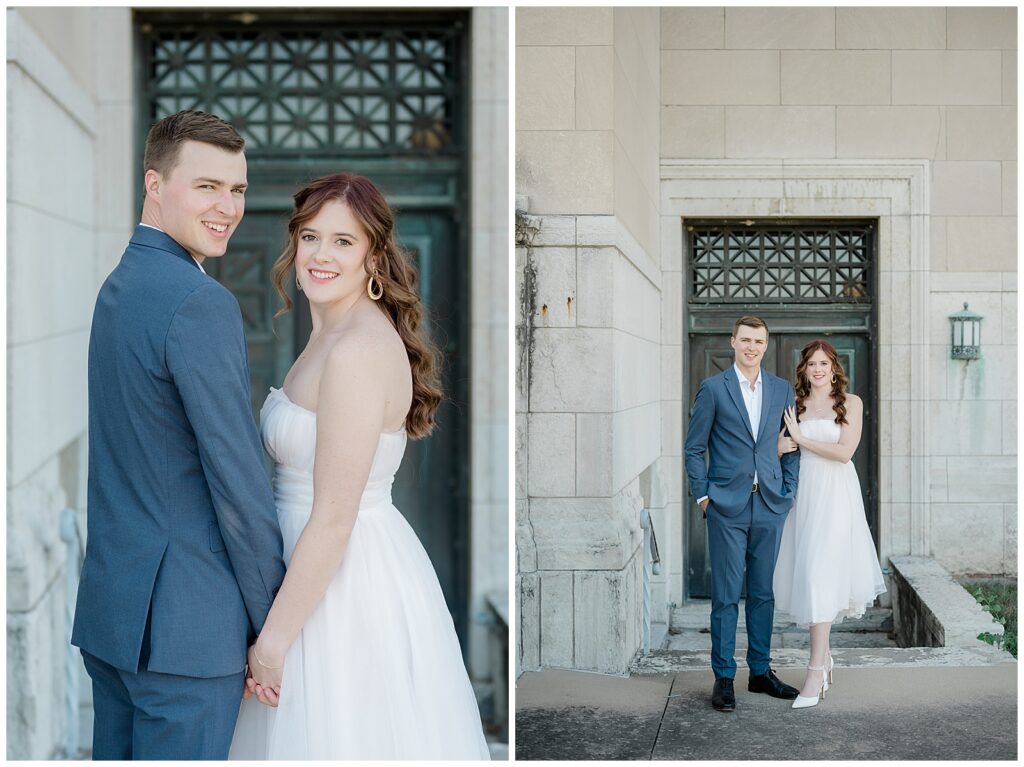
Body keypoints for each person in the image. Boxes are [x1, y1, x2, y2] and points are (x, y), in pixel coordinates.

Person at [228, 173, 490, 759]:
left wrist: (272, 643)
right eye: (311, 236)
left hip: (339, 586)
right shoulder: (330, 335)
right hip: (305, 570)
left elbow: (334, 519)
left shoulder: (356, 350)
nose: (321, 255)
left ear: (374, 255)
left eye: (344, 241)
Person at [71, 111, 287, 759]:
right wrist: (271, 624)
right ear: (155, 184)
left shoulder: (121, 285)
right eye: (207, 187)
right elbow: (238, 479)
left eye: (238, 190)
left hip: (115, 621)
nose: (227, 207)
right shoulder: (199, 301)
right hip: (188, 634)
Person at [684, 316, 801, 712]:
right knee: (726, 596)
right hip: (726, 508)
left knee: (763, 593)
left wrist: (788, 491)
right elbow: (693, 447)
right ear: (733, 342)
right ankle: (723, 677)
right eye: (746, 340)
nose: (752, 347)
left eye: (759, 341)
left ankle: (761, 672)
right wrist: (703, 497)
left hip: (769, 504)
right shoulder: (714, 389)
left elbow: (792, 444)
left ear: (766, 346)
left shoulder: (783, 389)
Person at [774, 340, 886, 709]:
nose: (817, 369)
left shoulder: (851, 403)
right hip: (803, 495)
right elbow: (776, 447)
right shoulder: (794, 405)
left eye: (823, 363)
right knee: (809, 575)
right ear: (804, 369)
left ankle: (816, 668)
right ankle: (824, 659)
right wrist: (781, 447)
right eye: (811, 364)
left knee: (822, 574)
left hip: (836, 495)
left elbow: (844, 452)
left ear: (834, 366)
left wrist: (802, 438)